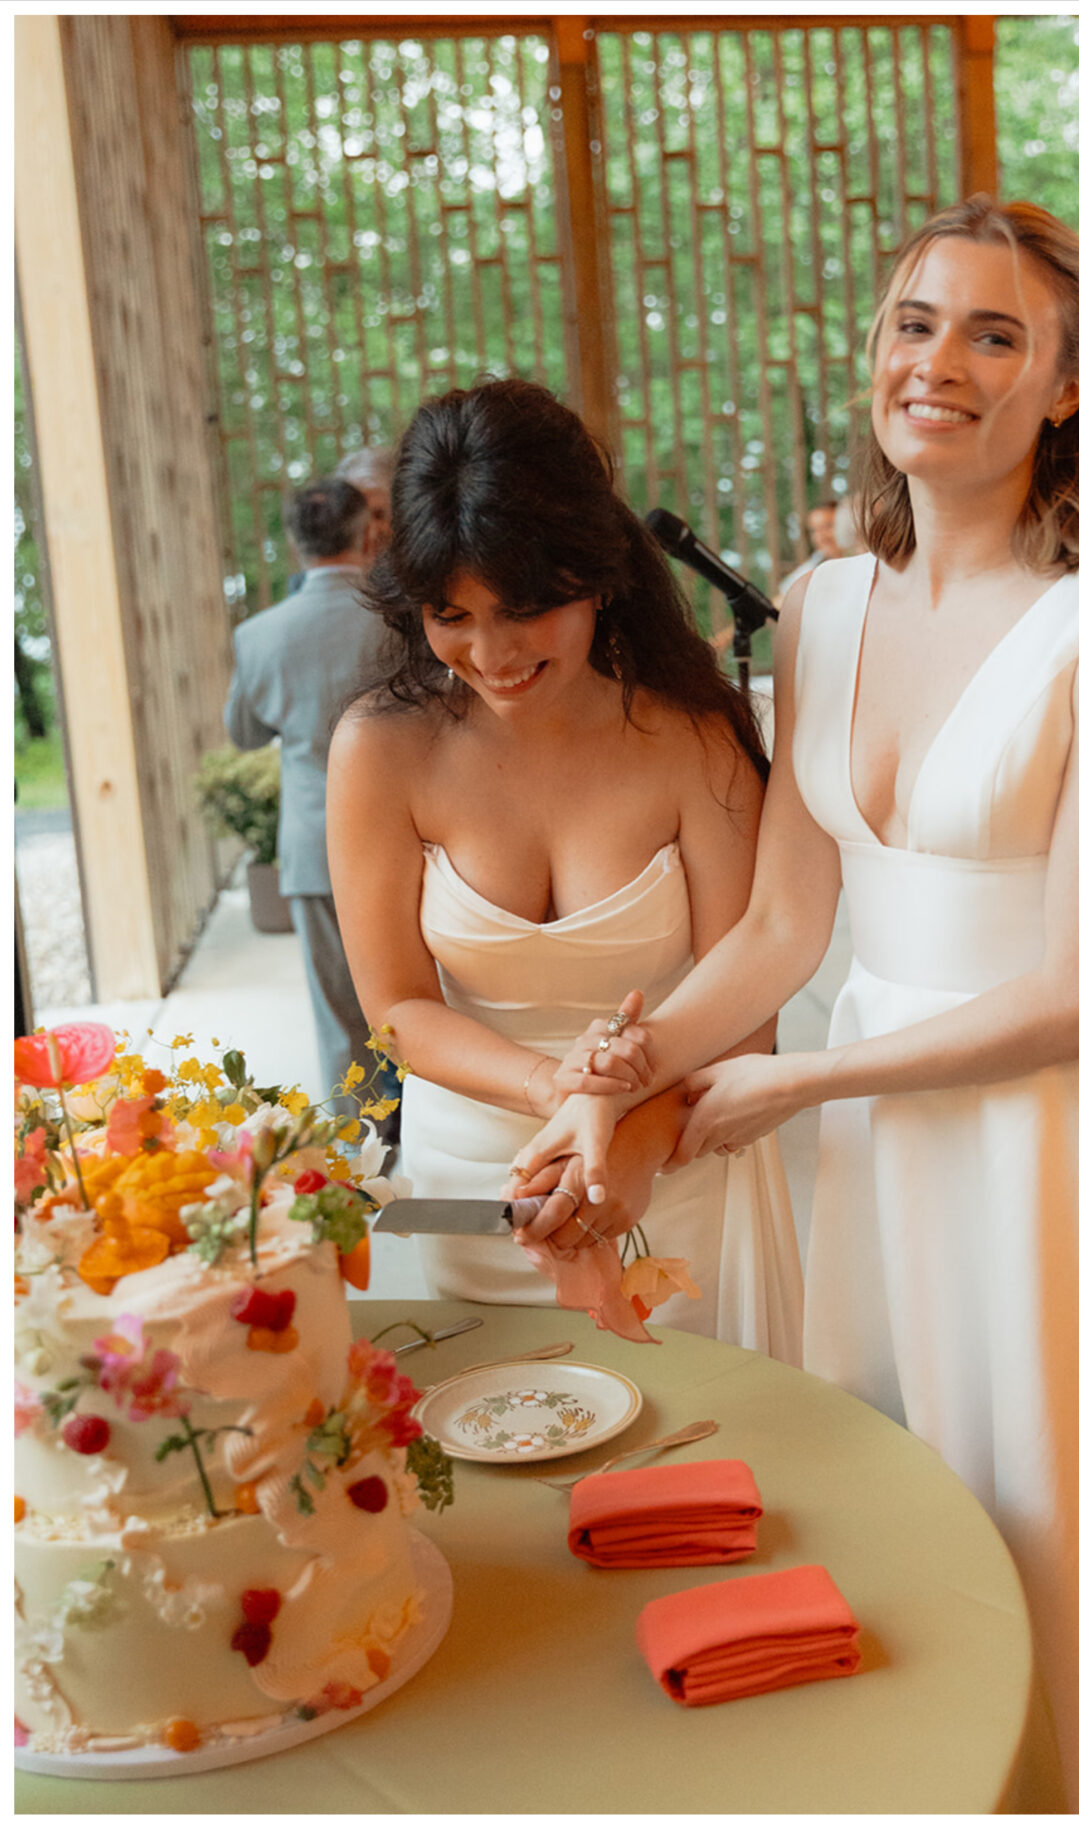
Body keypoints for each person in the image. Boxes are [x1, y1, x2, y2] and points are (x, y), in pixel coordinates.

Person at [512, 198, 1079, 1813]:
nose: (938, 361)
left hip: (1068, 1155)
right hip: (875, 1153)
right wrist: (626, 1060)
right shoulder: (829, 601)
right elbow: (792, 919)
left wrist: (800, 1087)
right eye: (915, 321)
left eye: (995, 333)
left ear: (1070, 386)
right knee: (910, 1520)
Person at [328, 379, 803, 1362]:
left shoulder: (696, 737)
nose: (490, 653)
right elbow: (398, 1007)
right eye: (449, 614)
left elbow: (747, 1013)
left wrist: (627, 1143)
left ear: (597, 576)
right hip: (479, 1181)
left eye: (526, 608)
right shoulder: (380, 749)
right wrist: (559, 1091)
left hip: (674, 1168)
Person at [224, 477, 403, 1122]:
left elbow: (243, 732)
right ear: (369, 534)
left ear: (296, 543)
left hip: (313, 845)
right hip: (408, 837)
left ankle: (362, 1166)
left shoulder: (260, 636)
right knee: (419, 1003)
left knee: (340, 1019)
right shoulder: (398, 615)